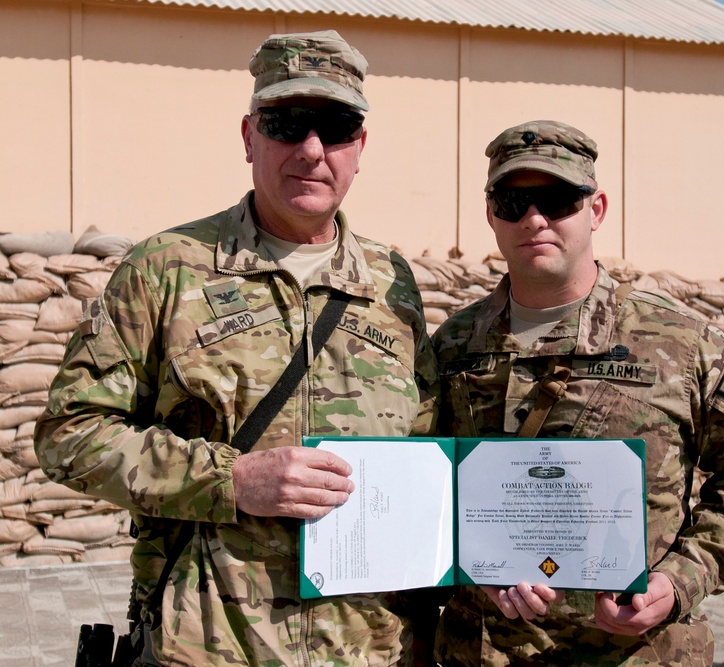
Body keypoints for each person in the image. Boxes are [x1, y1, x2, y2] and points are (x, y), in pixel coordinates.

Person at [33, 30, 437, 666]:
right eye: (285, 123)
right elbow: (69, 435)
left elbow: (426, 443)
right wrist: (231, 480)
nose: (310, 150)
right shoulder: (166, 269)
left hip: (369, 649)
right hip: (210, 646)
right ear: (249, 137)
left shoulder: (393, 283)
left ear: (359, 147)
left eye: (333, 128)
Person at [431, 119, 724, 666]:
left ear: (596, 209)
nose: (534, 219)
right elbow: (423, 486)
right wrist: (472, 562)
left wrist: (678, 582)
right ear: (490, 214)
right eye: (511, 202)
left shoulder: (680, 345)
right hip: (483, 651)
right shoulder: (452, 347)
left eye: (557, 200)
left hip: (634, 655)